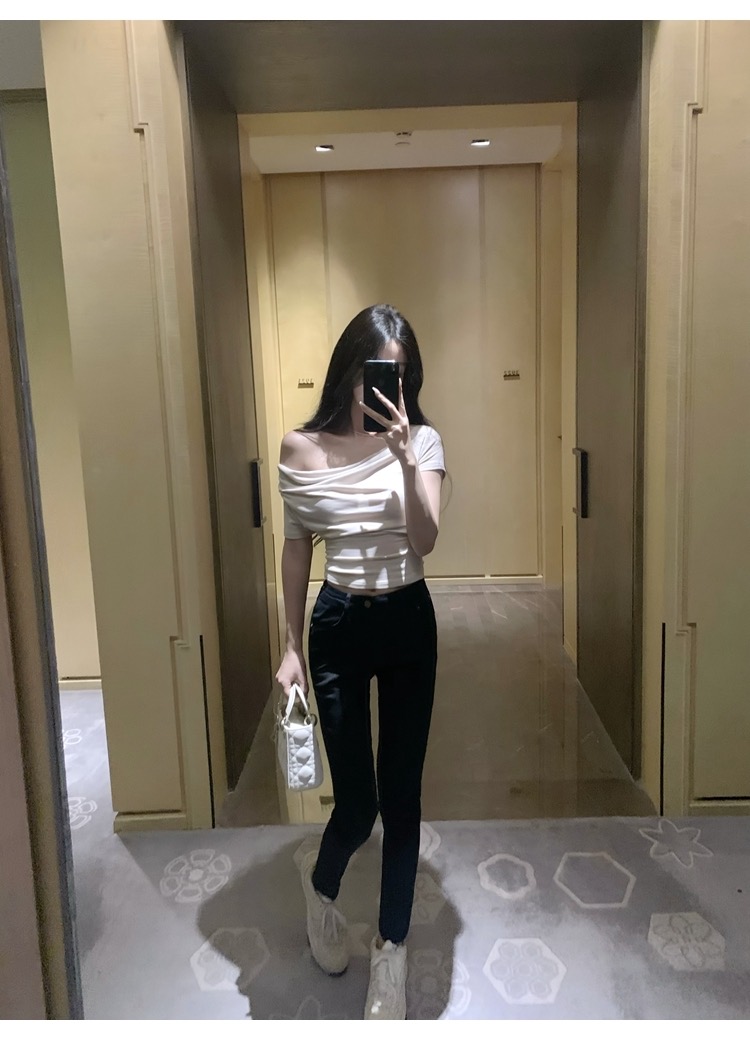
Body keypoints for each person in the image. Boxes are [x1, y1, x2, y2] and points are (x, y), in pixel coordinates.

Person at [276, 303, 445, 1020]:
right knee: (357, 804)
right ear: (350, 369)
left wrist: (405, 457)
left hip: (408, 621)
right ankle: (321, 887)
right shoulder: (299, 450)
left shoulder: (424, 441)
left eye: (401, 378)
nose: (388, 389)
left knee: (401, 797)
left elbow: (425, 539)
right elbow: (296, 550)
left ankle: (391, 950)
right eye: (378, 373)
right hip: (338, 624)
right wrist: (289, 645)